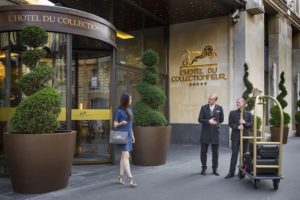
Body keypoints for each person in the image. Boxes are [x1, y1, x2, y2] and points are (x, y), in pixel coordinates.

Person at [113, 93, 137, 187]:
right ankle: (130, 178)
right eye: (130, 99)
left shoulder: (129, 110)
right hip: (121, 136)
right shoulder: (118, 111)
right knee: (126, 156)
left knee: (124, 157)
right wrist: (120, 123)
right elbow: (115, 124)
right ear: (125, 100)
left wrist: (133, 136)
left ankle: (120, 176)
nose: (131, 101)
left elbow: (130, 125)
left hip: (128, 136)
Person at [225, 97, 252, 179]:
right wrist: (237, 127)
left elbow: (251, 125)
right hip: (235, 137)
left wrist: (245, 123)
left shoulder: (248, 113)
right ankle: (231, 172)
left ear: (244, 104)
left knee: (244, 155)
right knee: (234, 154)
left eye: (239, 102)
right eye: (237, 102)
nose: (237, 104)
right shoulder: (232, 113)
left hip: (245, 137)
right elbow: (230, 124)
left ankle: (242, 172)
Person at [198, 94, 224, 176]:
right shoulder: (203, 107)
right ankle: (203, 168)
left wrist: (216, 123)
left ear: (215, 100)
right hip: (205, 133)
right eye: (209, 99)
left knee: (215, 152)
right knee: (203, 152)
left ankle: (214, 169)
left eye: (212, 99)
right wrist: (208, 121)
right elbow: (200, 119)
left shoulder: (219, 108)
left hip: (215, 134)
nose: (209, 100)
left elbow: (221, 119)